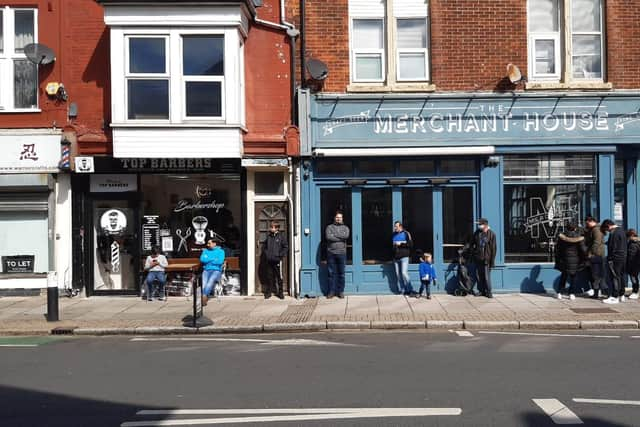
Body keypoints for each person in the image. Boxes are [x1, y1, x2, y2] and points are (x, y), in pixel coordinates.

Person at [554, 224, 587, 300]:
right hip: (575, 260)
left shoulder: (561, 237)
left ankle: (559, 292)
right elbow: (583, 250)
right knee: (573, 277)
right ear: (575, 228)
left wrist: (558, 258)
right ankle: (571, 293)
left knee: (563, 276)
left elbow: (558, 249)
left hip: (564, 259)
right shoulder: (579, 237)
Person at [468, 218, 497, 298]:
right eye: (479, 224)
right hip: (478, 258)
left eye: (480, 224)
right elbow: (472, 243)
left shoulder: (491, 234)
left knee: (486, 277)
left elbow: (494, 249)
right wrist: (472, 251)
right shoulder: (477, 233)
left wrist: (492, 261)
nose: (479, 225)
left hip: (486, 259)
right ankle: (481, 291)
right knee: (478, 276)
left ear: (485, 225)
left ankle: (489, 292)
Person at [601, 219, 627, 304]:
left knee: (614, 276)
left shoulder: (613, 233)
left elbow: (613, 247)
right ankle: (622, 295)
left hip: (615, 258)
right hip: (623, 257)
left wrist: (610, 258)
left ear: (608, 226)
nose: (607, 231)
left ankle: (614, 296)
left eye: (606, 229)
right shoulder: (621, 230)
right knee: (621, 276)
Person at [325, 211, 350, 299]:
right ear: (334, 218)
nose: (338, 219)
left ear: (342, 219)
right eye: (337, 217)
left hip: (342, 253)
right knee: (331, 273)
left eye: (340, 217)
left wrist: (334, 235)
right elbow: (328, 237)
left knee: (341, 273)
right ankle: (331, 291)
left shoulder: (345, 228)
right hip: (331, 253)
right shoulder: (329, 227)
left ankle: (340, 291)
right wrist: (340, 237)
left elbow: (346, 236)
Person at [261, 221, 288, 299]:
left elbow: (285, 247)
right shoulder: (269, 237)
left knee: (279, 277)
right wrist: (267, 254)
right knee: (269, 276)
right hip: (269, 260)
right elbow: (264, 247)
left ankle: (280, 293)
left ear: (276, 228)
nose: (270, 228)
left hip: (277, 260)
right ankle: (269, 292)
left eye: (272, 227)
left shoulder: (281, 237)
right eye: (270, 226)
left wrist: (280, 255)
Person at [584, 216, 605, 299]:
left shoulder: (596, 230)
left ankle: (599, 293)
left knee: (596, 275)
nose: (586, 224)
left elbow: (596, 242)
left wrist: (591, 253)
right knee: (595, 275)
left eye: (587, 223)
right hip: (596, 255)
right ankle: (596, 292)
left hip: (596, 255)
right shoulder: (593, 229)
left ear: (591, 221)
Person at [200, 238, 225, 306]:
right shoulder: (205, 251)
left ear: (214, 244)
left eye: (209, 243)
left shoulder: (221, 251)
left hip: (216, 270)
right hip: (206, 270)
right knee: (204, 283)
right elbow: (202, 259)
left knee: (210, 282)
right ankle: (204, 297)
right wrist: (213, 259)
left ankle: (204, 296)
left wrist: (208, 259)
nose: (207, 245)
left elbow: (220, 261)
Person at [392, 221, 414, 295]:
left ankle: (410, 289)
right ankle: (403, 290)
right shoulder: (393, 235)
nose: (395, 228)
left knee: (404, 273)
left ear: (400, 227)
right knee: (398, 275)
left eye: (396, 226)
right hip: (396, 258)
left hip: (404, 257)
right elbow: (391, 246)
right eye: (395, 226)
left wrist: (401, 244)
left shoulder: (406, 233)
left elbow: (411, 245)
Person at [626, 229, 640, 300]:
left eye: (628, 236)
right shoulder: (635, 242)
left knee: (634, 278)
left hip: (634, 263)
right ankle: (635, 291)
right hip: (635, 263)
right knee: (634, 277)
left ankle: (635, 292)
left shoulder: (633, 243)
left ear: (631, 235)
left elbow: (632, 255)